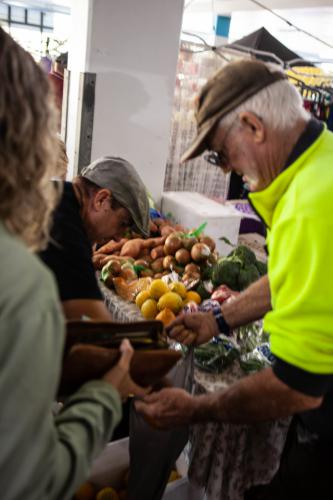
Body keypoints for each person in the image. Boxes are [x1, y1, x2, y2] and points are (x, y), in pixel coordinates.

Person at [136, 59, 333, 498]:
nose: (225, 169)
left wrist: (197, 408)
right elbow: (286, 276)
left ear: (253, 126)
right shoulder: (318, 165)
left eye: (220, 153)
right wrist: (219, 320)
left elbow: (295, 387)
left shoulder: (312, 203)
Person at [0, 27, 145, 500]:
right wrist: (126, 372)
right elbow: (97, 329)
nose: (119, 240)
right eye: (122, 226)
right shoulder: (59, 219)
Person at [39, 156, 150, 320]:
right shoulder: (67, 230)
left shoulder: (58, 194)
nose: (119, 239)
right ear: (101, 200)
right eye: (122, 223)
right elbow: (96, 323)